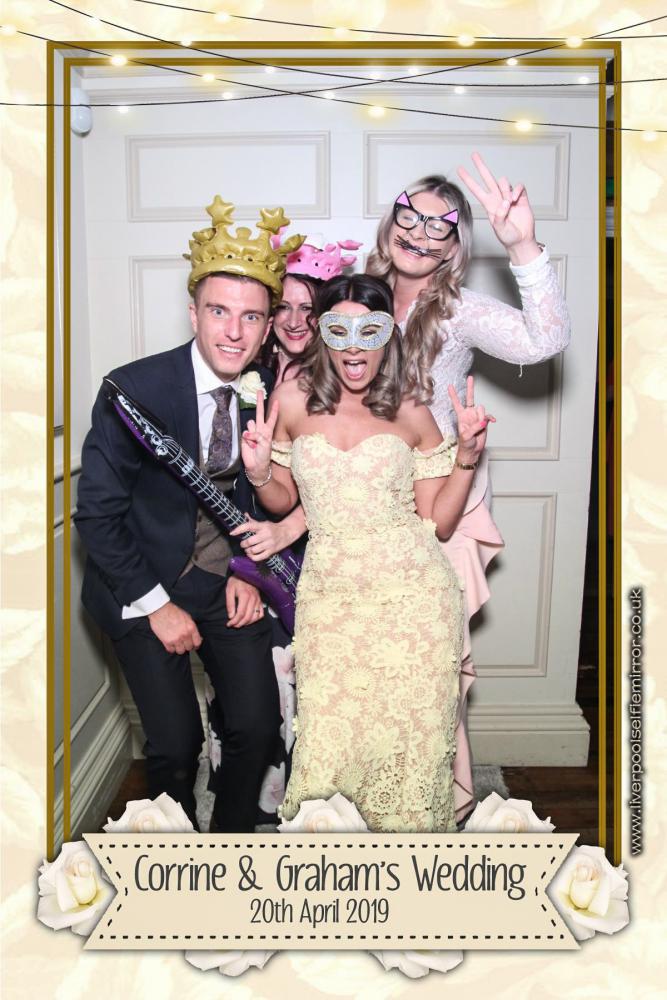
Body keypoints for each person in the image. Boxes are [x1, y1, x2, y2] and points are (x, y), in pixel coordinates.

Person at [74, 196, 304, 832]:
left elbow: (262, 495)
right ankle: (173, 856)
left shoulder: (268, 392)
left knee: (258, 727)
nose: (234, 332)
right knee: (176, 748)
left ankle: (229, 849)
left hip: (223, 581)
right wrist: (157, 607)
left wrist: (247, 573)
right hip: (141, 581)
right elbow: (96, 516)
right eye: (219, 311)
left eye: (251, 316)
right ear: (193, 312)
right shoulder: (133, 390)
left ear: (267, 326)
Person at [240, 273, 493, 833]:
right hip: (331, 601)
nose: (354, 347)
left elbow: (439, 521)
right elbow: (282, 501)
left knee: (410, 754)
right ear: (322, 334)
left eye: (369, 331)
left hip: (413, 601)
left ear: (388, 337)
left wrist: (467, 457)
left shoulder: (412, 410)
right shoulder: (290, 402)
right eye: (340, 330)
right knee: (329, 749)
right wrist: (258, 473)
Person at [366, 154, 571, 822]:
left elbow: (545, 340)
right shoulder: (353, 294)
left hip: (439, 513)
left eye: (441, 225)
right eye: (410, 215)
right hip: (362, 511)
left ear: (455, 246)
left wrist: (522, 246)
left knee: (428, 675)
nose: (421, 232)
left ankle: (436, 813)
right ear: (390, 222)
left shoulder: (456, 310)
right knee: (366, 671)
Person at [209, 235, 362, 819]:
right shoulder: (242, 371)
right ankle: (255, 805)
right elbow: (223, 483)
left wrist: (290, 529)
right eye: (284, 308)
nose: (297, 321)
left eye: (310, 308)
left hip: (328, 554)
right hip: (254, 555)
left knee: (326, 688)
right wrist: (240, 569)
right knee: (259, 688)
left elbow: (355, 476)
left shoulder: (348, 375)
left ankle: (320, 806)